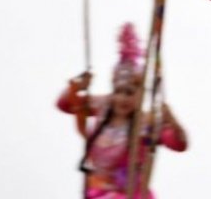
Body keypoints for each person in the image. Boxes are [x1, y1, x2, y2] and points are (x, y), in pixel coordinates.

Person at [57, 24, 188, 198]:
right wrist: (76, 86)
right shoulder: (102, 106)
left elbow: (179, 144)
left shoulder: (146, 123)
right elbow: (65, 104)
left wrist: (171, 120)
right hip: (97, 193)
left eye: (129, 93)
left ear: (140, 94)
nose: (123, 99)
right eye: (119, 91)